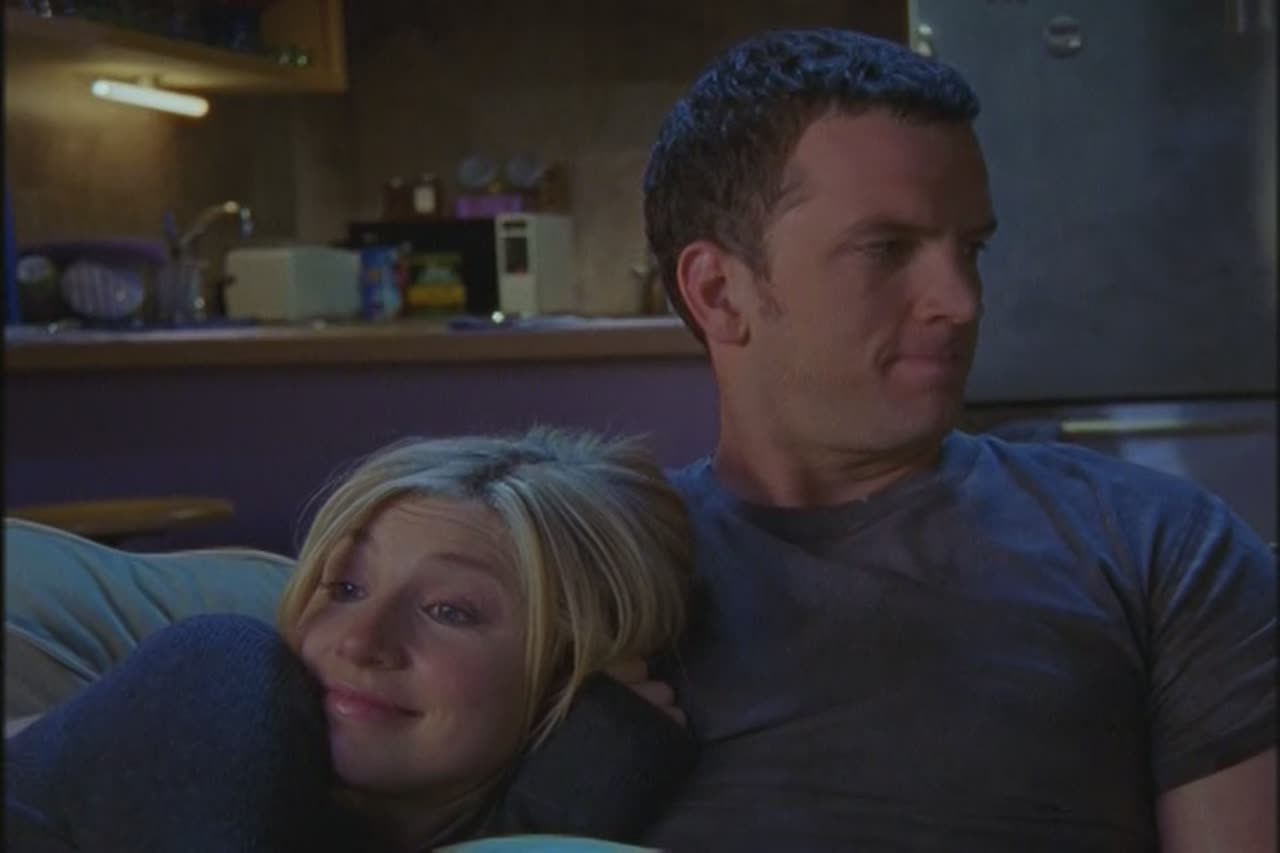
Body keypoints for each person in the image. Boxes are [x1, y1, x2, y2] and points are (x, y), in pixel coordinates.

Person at [635, 27, 1276, 851]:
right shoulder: (596, 578)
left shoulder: (1158, 546)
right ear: (720, 292)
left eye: (970, 249)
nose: (961, 301)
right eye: (887, 249)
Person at [5, 428, 698, 852]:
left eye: (449, 610)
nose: (361, 642)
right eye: (343, 588)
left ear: (569, 671)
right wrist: (576, 787)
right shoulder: (218, 681)